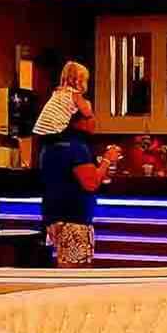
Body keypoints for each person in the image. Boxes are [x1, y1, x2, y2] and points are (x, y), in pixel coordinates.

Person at [41, 108, 120, 267]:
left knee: (65, 269)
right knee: (76, 273)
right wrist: (107, 160)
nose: (94, 121)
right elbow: (91, 183)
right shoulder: (77, 147)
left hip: (54, 218)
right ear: (79, 122)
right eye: (91, 117)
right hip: (74, 222)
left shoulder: (49, 144)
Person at [33, 60, 93, 138]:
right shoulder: (75, 95)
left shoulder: (58, 93)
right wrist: (88, 105)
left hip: (39, 131)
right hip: (54, 133)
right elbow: (88, 113)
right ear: (80, 81)